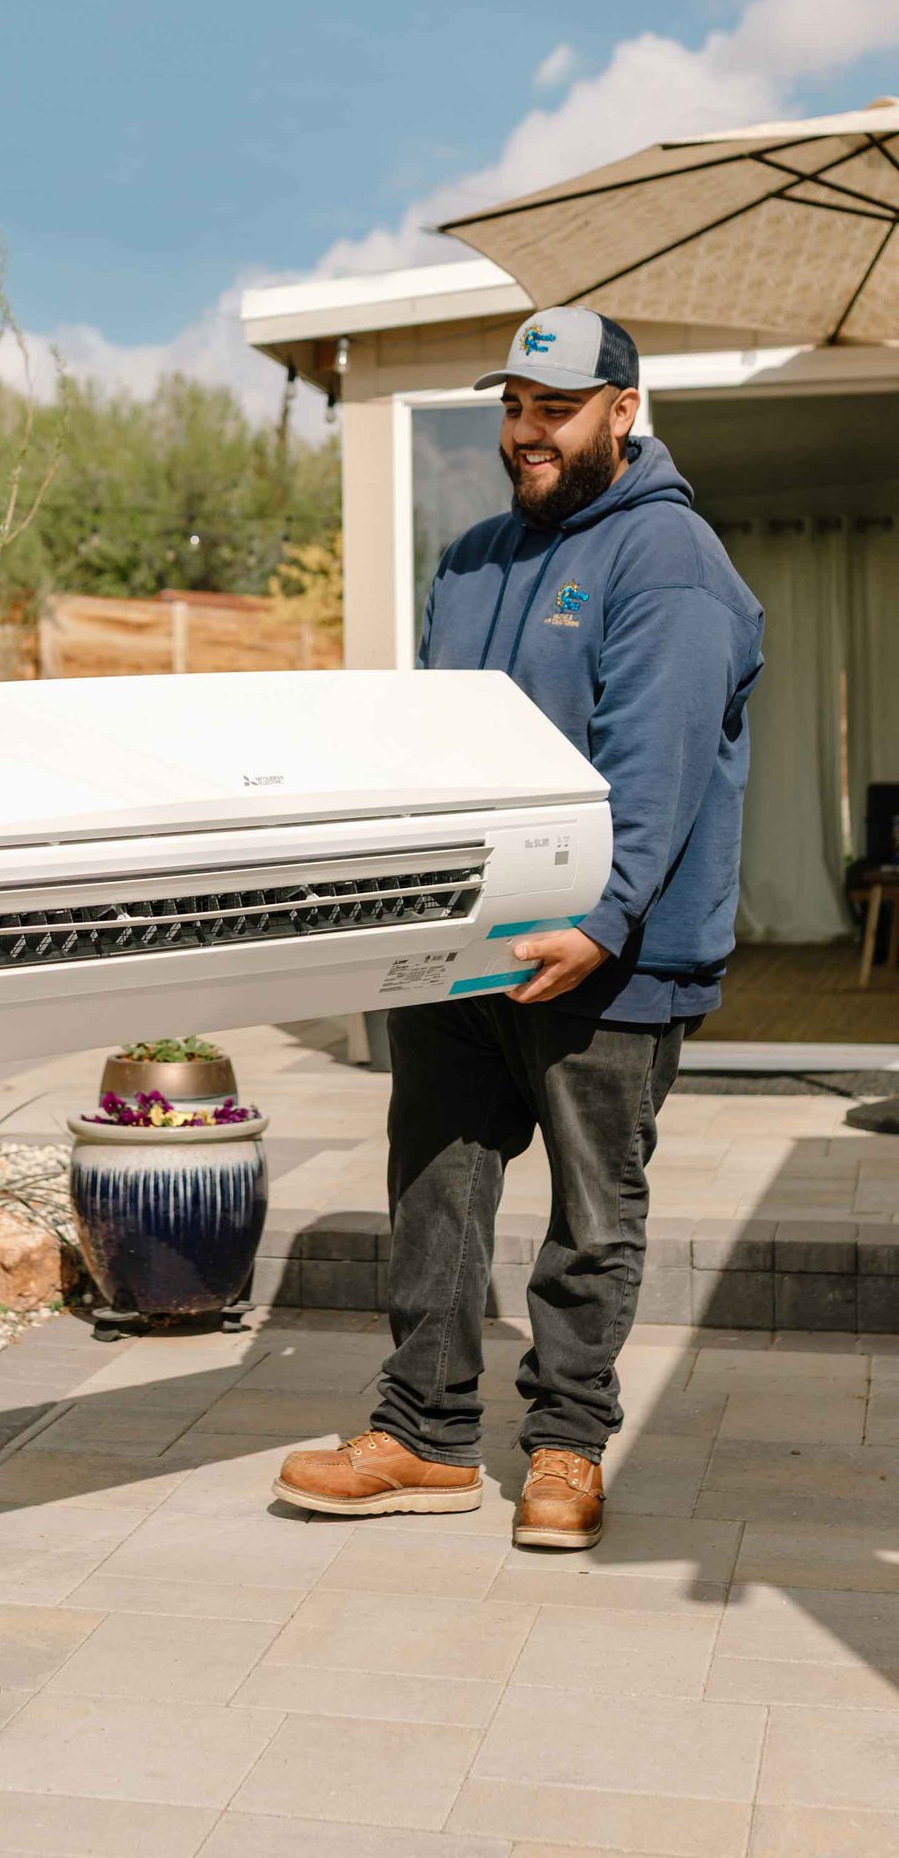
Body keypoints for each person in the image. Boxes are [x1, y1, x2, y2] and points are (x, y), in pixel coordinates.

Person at [276, 306, 763, 1550]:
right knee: (434, 1187)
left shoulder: (672, 559)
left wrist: (603, 921)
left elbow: (653, 767)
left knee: (592, 1216)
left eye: (554, 407)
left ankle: (565, 1446)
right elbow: (442, 751)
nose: (527, 430)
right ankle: (424, 1434)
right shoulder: (475, 556)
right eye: (512, 406)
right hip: (464, 943)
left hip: (612, 957)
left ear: (620, 411)